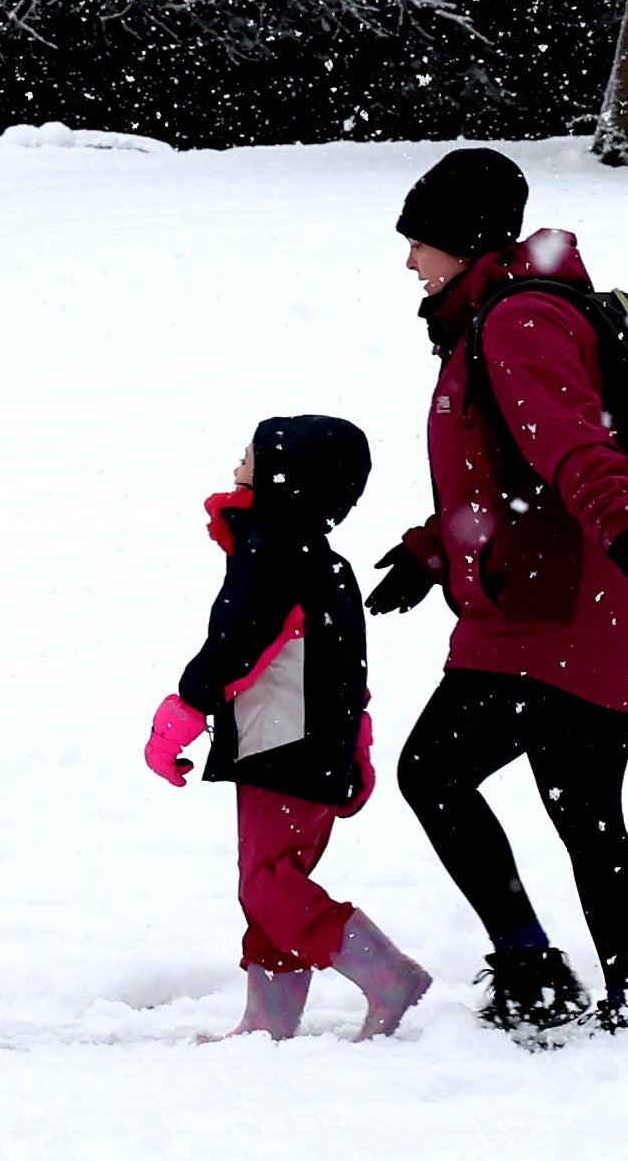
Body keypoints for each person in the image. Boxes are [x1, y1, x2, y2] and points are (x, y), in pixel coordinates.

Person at [371, 145, 628, 1039]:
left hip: (557, 607)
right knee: (586, 814)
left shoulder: (516, 323)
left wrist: (626, 525)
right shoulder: (495, 314)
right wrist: (433, 548)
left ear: (463, 241)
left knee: (434, 774)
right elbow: (497, 472)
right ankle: (627, 998)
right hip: (570, 596)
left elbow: (569, 444)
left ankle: (533, 969)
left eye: (418, 242)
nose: (407, 260)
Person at [144, 413, 434, 1040]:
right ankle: (269, 1020)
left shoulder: (273, 554)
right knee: (275, 881)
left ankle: (387, 975)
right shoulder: (324, 562)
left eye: (247, 457)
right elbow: (348, 667)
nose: (236, 468)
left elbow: (236, 644)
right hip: (312, 743)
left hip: (283, 743)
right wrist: (355, 744)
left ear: (283, 477)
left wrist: (185, 711)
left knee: (268, 883)